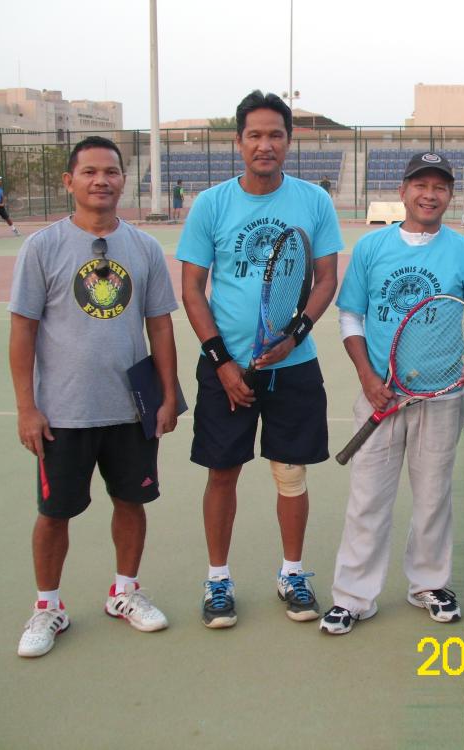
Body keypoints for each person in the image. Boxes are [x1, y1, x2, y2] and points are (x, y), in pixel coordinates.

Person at [9, 136, 179, 658]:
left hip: (130, 408)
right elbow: (22, 332)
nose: (100, 180)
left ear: (123, 180)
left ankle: (124, 591)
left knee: (131, 502)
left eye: (110, 171)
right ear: (70, 181)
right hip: (63, 412)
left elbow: (160, 328)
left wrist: (168, 396)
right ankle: (48, 608)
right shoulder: (41, 248)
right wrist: (26, 407)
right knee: (54, 513)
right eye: (89, 172)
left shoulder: (145, 249)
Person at [176, 91, 341, 628]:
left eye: (275, 135)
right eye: (255, 135)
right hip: (225, 368)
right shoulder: (212, 205)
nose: (265, 144)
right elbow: (193, 290)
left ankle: (292, 574)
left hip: (293, 366)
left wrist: (294, 335)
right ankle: (218, 581)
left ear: (288, 142)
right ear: (238, 142)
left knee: (290, 473)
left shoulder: (314, 201)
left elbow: (325, 279)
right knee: (222, 473)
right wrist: (221, 362)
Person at [321, 152, 464, 635]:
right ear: (402, 191)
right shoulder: (371, 248)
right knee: (367, 499)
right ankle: (354, 597)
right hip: (379, 394)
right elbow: (351, 315)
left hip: (441, 396)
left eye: (439, 186)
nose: (429, 194)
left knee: (433, 496)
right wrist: (365, 377)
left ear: (449, 195)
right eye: (420, 184)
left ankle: (428, 583)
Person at [0, 175, 20, 239]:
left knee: (7, 218)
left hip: (0, 207)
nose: (0, 181)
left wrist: (2, 203)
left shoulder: (0, 189)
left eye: (0, 180)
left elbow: (2, 197)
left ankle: (14, 229)